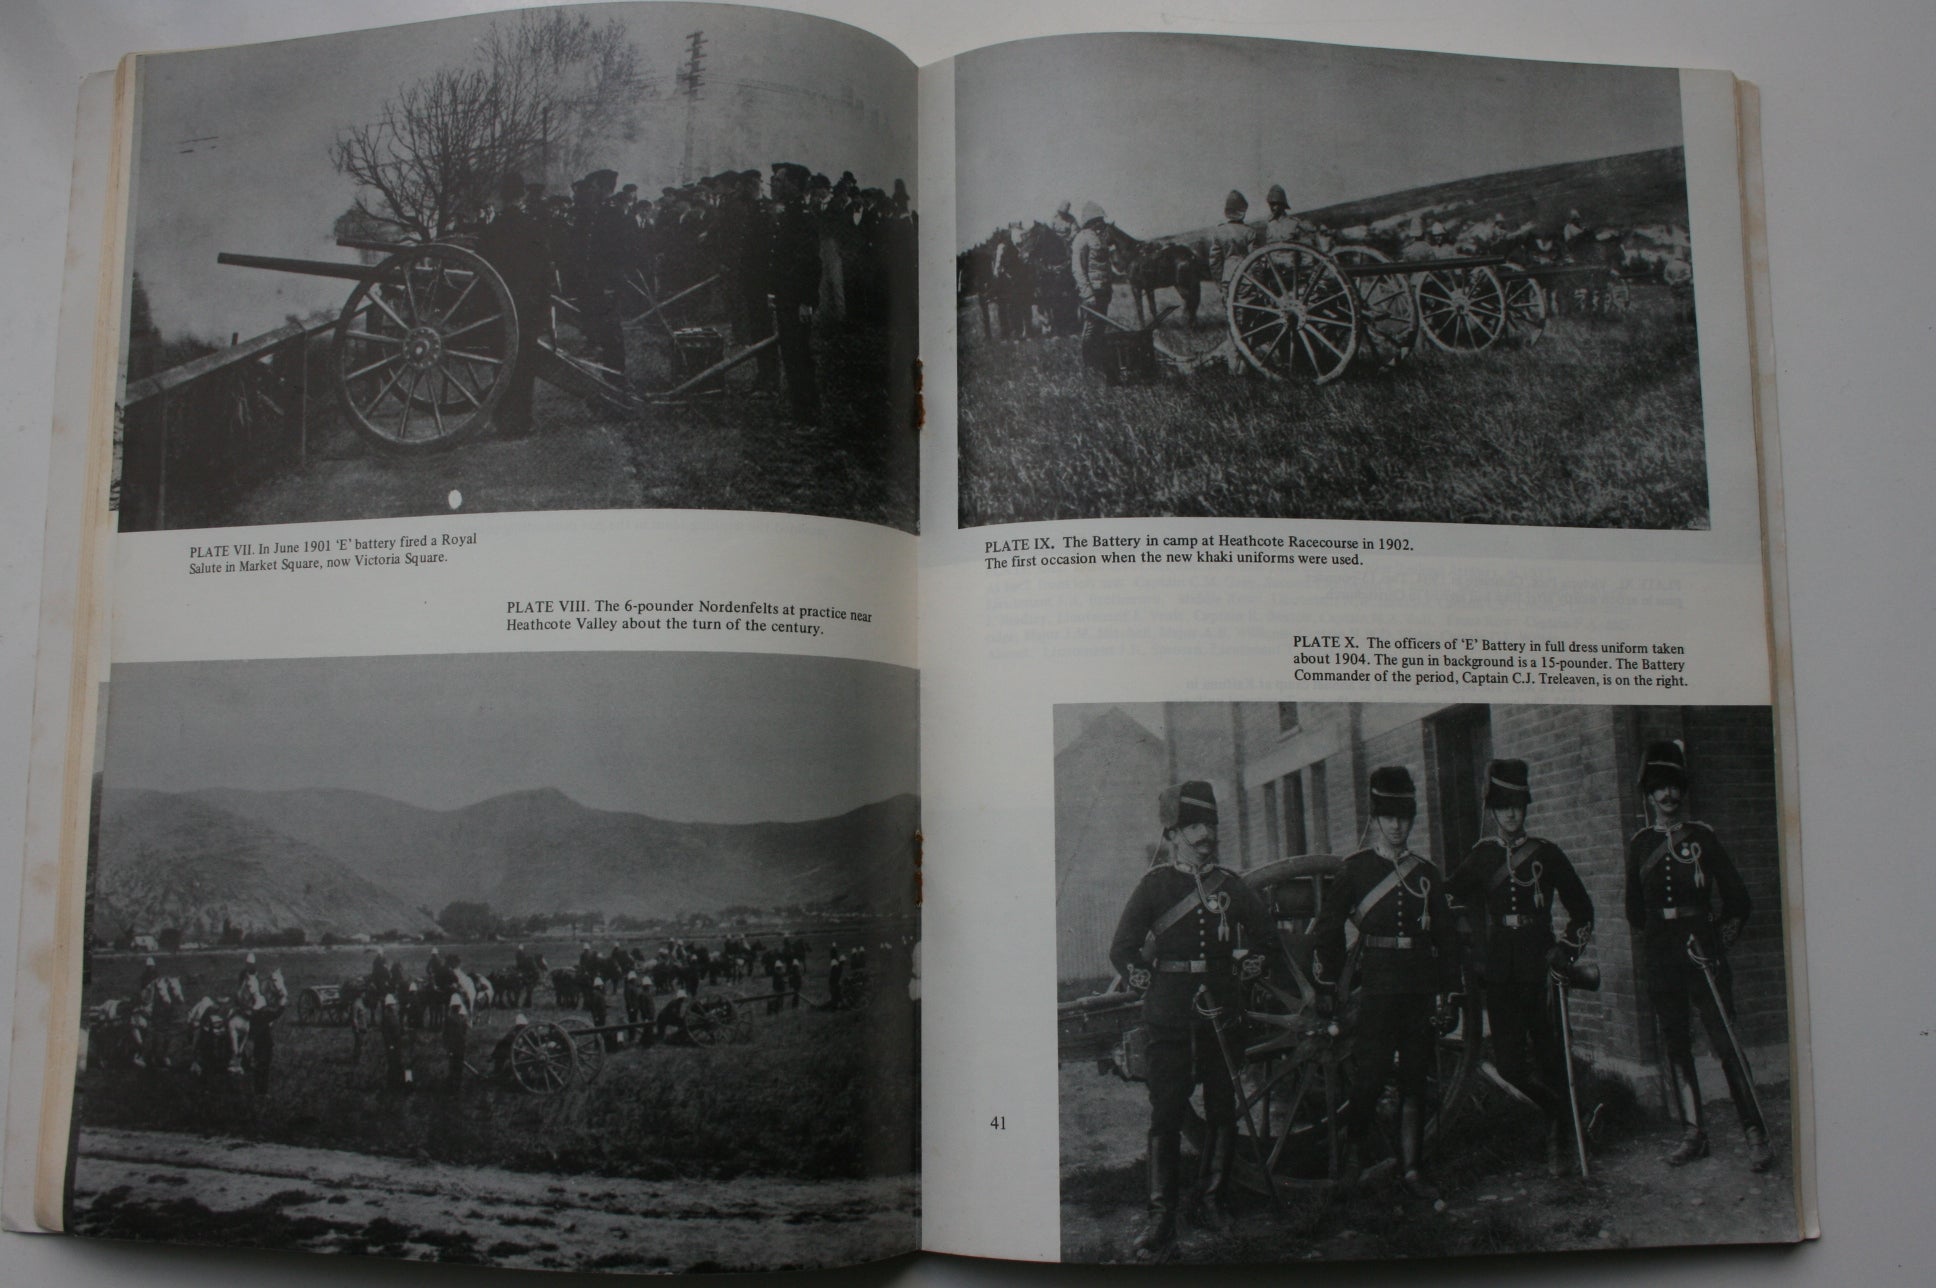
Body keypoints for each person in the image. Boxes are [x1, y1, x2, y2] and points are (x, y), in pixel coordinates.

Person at [1107, 781, 1283, 1260]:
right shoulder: (1155, 886)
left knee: (1224, 1109)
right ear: (1173, 833)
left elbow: (1267, 937)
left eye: (1210, 825)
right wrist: (1147, 982)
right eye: (1194, 826)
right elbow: (1122, 949)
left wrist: (1253, 965)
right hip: (1169, 1018)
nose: (1206, 835)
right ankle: (1160, 1220)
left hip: (1221, 1016)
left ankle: (1211, 1201)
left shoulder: (1230, 885)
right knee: (1166, 1114)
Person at [1624, 740, 1773, 1172]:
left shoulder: (1703, 838)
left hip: (1703, 957)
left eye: (1674, 786)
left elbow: (1739, 901)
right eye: (1659, 788)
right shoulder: (1640, 845)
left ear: (1681, 791)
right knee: (1676, 1045)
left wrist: (1715, 946)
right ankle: (1694, 1133)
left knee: (1725, 1041)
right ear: (1649, 795)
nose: (1668, 795)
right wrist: (1659, 944)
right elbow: (1634, 909)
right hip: (1663, 961)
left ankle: (1755, 1131)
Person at [1313, 766, 1461, 1199]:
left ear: (1411, 820)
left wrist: (1448, 994)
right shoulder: (1355, 870)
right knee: (1368, 1080)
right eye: (1388, 817)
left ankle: (1412, 1170)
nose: (1396, 825)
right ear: (1375, 820)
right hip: (1375, 991)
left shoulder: (1426, 874)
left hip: (1418, 990)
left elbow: (1448, 939)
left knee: (1416, 1080)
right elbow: (1327, 929)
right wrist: (1335, 986)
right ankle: (1362, 1163)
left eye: (1404, 817)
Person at [1446, 759, 1595, 1176]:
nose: (1511, 813)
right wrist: (1468, 941)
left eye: (1518, 805)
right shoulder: (1481, 856)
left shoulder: (1546, 854)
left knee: (1552, 1058)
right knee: (1511, 1065)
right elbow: (1449, 898)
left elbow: (1583, 910)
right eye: (1503, 805)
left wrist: (1566, 952)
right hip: (1499, 972)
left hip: (1541, 969)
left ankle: (1561, 1138)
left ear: (1526, 808)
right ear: (1492, 809)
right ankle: (1563, 1115)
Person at [474, 170, 550, 434]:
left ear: (502, 197)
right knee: (525, 365)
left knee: (502, 362)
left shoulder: (491, 230)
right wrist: (543, 309)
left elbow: (480, 274)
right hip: (527, 308)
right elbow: (545, 274)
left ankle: (502, 421)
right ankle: (522, 422)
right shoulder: (533, 227)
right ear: (522, 196)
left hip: (499, 308)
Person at [768, 161, 822, 425]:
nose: (775, 184)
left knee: (799, 356)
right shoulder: (790, 213)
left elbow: (811, 262)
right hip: (787, 295)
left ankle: (808, 417)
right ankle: (801, 413)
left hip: (797, 298)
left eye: (780, 180)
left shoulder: (803, 216)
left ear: (794, 185)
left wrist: (806, 302)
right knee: (791, 355)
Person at [1069, 202, 1115, 377]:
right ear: (1092, 221)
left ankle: (1098, 361)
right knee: (1091, 326)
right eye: (1099, 220)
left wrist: (1108, 287)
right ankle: (1089, 363)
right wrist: (1087, 294)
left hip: (1103, 291)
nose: (1102, 223)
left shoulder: (1100, 238)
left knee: (1100, 326)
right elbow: (1078, 269)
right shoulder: (1081, 239)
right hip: (1092, 293)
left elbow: (1105, 265)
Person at [443, 994, 470, 1093]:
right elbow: (462, 1033)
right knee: (457, 1067)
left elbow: (445, 1035)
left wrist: (447, 1047)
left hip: (456, 1047)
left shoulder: (450, 1018)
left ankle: (454, 1085)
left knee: (454, 1066)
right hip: (457, 1047)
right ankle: (455, 1086)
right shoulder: (460, 1019)